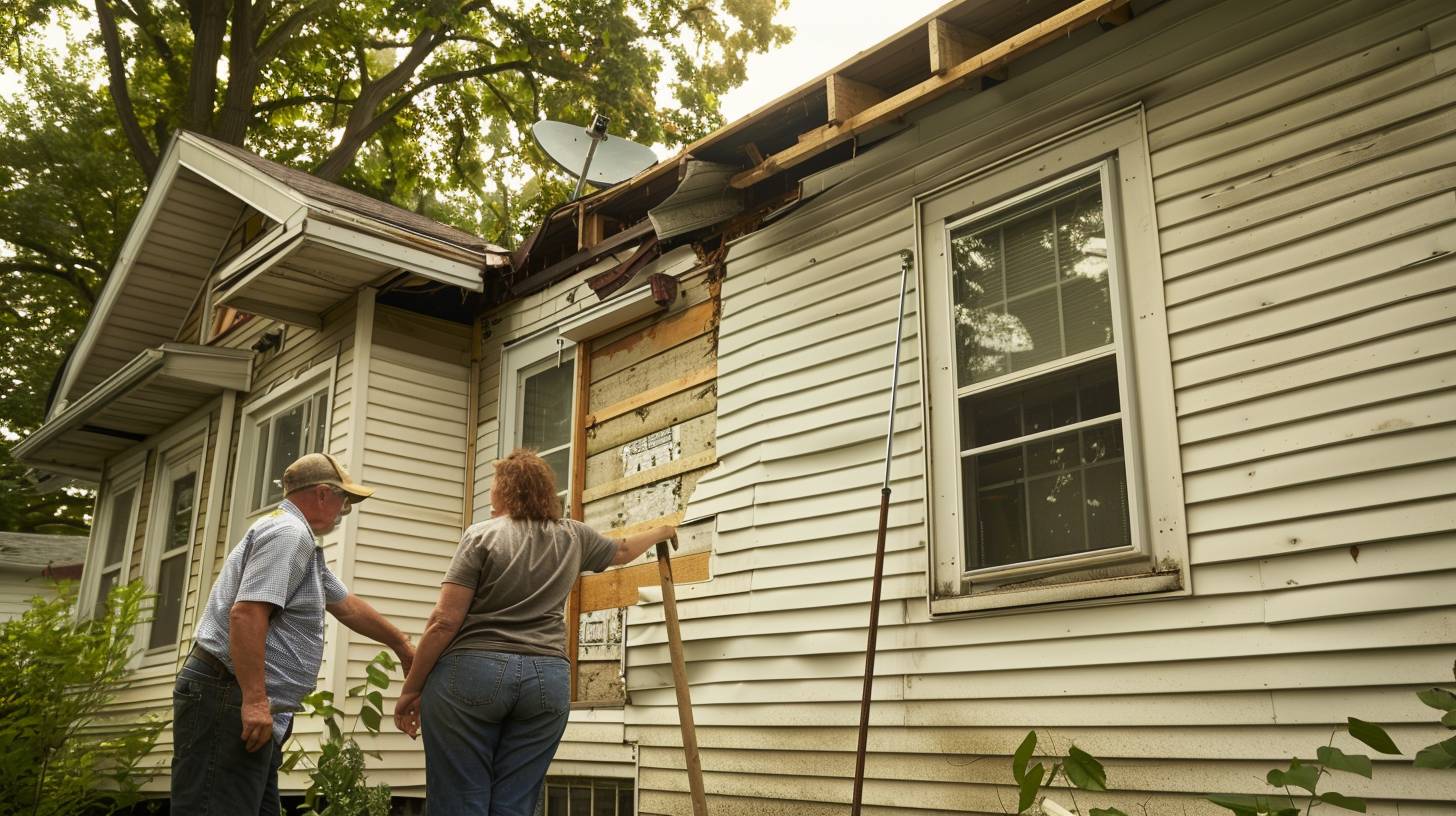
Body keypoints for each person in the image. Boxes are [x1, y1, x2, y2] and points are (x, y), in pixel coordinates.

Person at [393, 449, 674, 815]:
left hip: (472, 676)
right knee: (516, 803)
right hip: (546, 682)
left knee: (461, 799)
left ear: (506, 491)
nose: (491, 494)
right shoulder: (574, 536)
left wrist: (412, 688)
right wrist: (663, 531)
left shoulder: (481, 536)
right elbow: (621, 551)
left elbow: (444, 621)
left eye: (494, 486)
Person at [173, 452, 415, 815]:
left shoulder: (297, 540)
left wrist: (401, 644)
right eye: (343, 499)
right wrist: (254, 701)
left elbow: (346, 605)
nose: (344, 509)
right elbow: (247, 613)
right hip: (228, 695)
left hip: (238, 697)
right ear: (321, 494)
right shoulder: (289, 535)